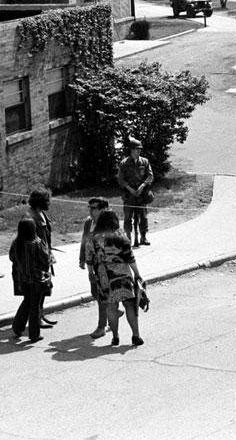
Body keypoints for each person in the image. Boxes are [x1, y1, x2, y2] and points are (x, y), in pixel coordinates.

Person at [90, 211, 143, 346]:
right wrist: (137, 274)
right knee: (129, 305)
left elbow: (89, 259)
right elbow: (130, 258)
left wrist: (92, 273)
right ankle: (135, 335)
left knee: (111, 307)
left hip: (103, 277)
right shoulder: (120, 237)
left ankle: (115, 337)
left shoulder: (93, 238)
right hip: (122, 276)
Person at [9, 218, 51, 343]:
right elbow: (45, 259)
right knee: (35, 306)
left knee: (27, 301)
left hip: (22, 279)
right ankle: (34, 334)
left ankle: (17, 327)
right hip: (36, 279)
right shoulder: (37, 243)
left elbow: (12, 258)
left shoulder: (16, 243)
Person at [79, 197, 111, 338]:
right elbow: (84, 241)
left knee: (101, 295)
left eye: (94, 208)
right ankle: (112, 311)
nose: (91, 210)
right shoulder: (88, 222)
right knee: (95, 292)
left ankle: (101, 326)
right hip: (92, 263)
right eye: (89, 207)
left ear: (103, 209)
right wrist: (82, 258)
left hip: (105, 265)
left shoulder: (108, 223)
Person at [25, 188, 56, 327]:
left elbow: (46, 238)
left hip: (44, 257)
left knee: (44, 289)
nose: (49, 203)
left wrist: (49, 253)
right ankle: (35, 320)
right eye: (47, 200)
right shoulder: (30, 217)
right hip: (37, 260)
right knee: (37, 291)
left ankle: (40, 315)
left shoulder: (41, 213)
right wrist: (43, 255)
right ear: (40, 202)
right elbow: (31, 243)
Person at [117, 138, 154, 247]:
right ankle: (128, 237)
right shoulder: (124, 163)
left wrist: (142, 186)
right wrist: (130, 189)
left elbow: (150, 176)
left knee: (143, 216)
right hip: (129, 194)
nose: (138, 151)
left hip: (141, 193)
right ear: (131, 150)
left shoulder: (145, 161)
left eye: (139, 149)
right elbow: (120, 179)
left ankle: (143, 237)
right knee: (128, 216)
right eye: (136, 149)